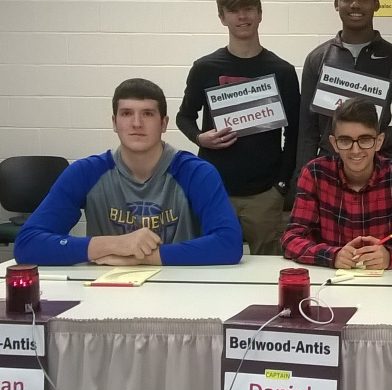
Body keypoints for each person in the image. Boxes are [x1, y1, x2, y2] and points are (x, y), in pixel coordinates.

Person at [14, 79, 243, 266]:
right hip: (106, 286)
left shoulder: (196, 172)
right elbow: (28, 244)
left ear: (163, 124)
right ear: (114, 122)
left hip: (179, 286)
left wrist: (142, 258)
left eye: (147, 114)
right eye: (126, 114)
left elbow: (229, 244)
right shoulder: (86, 172)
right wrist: (114, 245)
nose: (136, 123)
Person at [176, 0, 300, 255]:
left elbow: (294, 135)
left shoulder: (283, 71)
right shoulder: (204, 68)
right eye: (233, 11)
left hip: (265, 194)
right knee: (213, 267)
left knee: (269, 271)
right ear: (222, 18)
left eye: (248, 9)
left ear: (260, 14)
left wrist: (281, 185)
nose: (242, 17)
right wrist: (199, 137)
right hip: (215, 189)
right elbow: (183, 116)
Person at [283, 98, 392, 269]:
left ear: (379, 141)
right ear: (334, 143)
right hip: (330, 281)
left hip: (391, 283)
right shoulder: (315, 174)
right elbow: (291, 238)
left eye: (365, 140)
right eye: (345, 141)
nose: (355, 150)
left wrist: (390, 256)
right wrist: (332, 255)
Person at [296, 0, 392, 170]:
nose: (355, 5)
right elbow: (307, 129)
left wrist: (375, 141)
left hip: (379, 166)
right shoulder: (317, 59)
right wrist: (300, 178)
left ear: (376, 4)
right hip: (329, 168)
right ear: (336, 4)